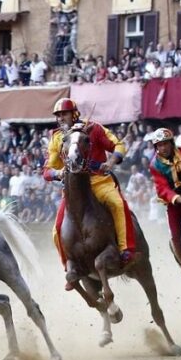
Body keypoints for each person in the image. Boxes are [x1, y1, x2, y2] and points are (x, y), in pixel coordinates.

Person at [43, 98, 136, 290]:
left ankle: (126, 249)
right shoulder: (57, 138)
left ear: (74, 113)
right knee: (56, 230)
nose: (61, 118)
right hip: (73, 190)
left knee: (118, 204)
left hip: (99, 181)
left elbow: (118, 145)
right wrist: (56, 173)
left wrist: (110, 163)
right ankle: (70, 270)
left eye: (64, 114)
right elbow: (47, 170)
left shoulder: (94, 128)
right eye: (58, 115)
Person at [148, 128, 181, 282]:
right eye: (159, 145)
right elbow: (162, 188)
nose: (163, 148)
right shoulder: (155, 165)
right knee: (176, 236)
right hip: (175, 203)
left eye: (165, 144)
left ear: (172, 143)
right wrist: (179, 199)